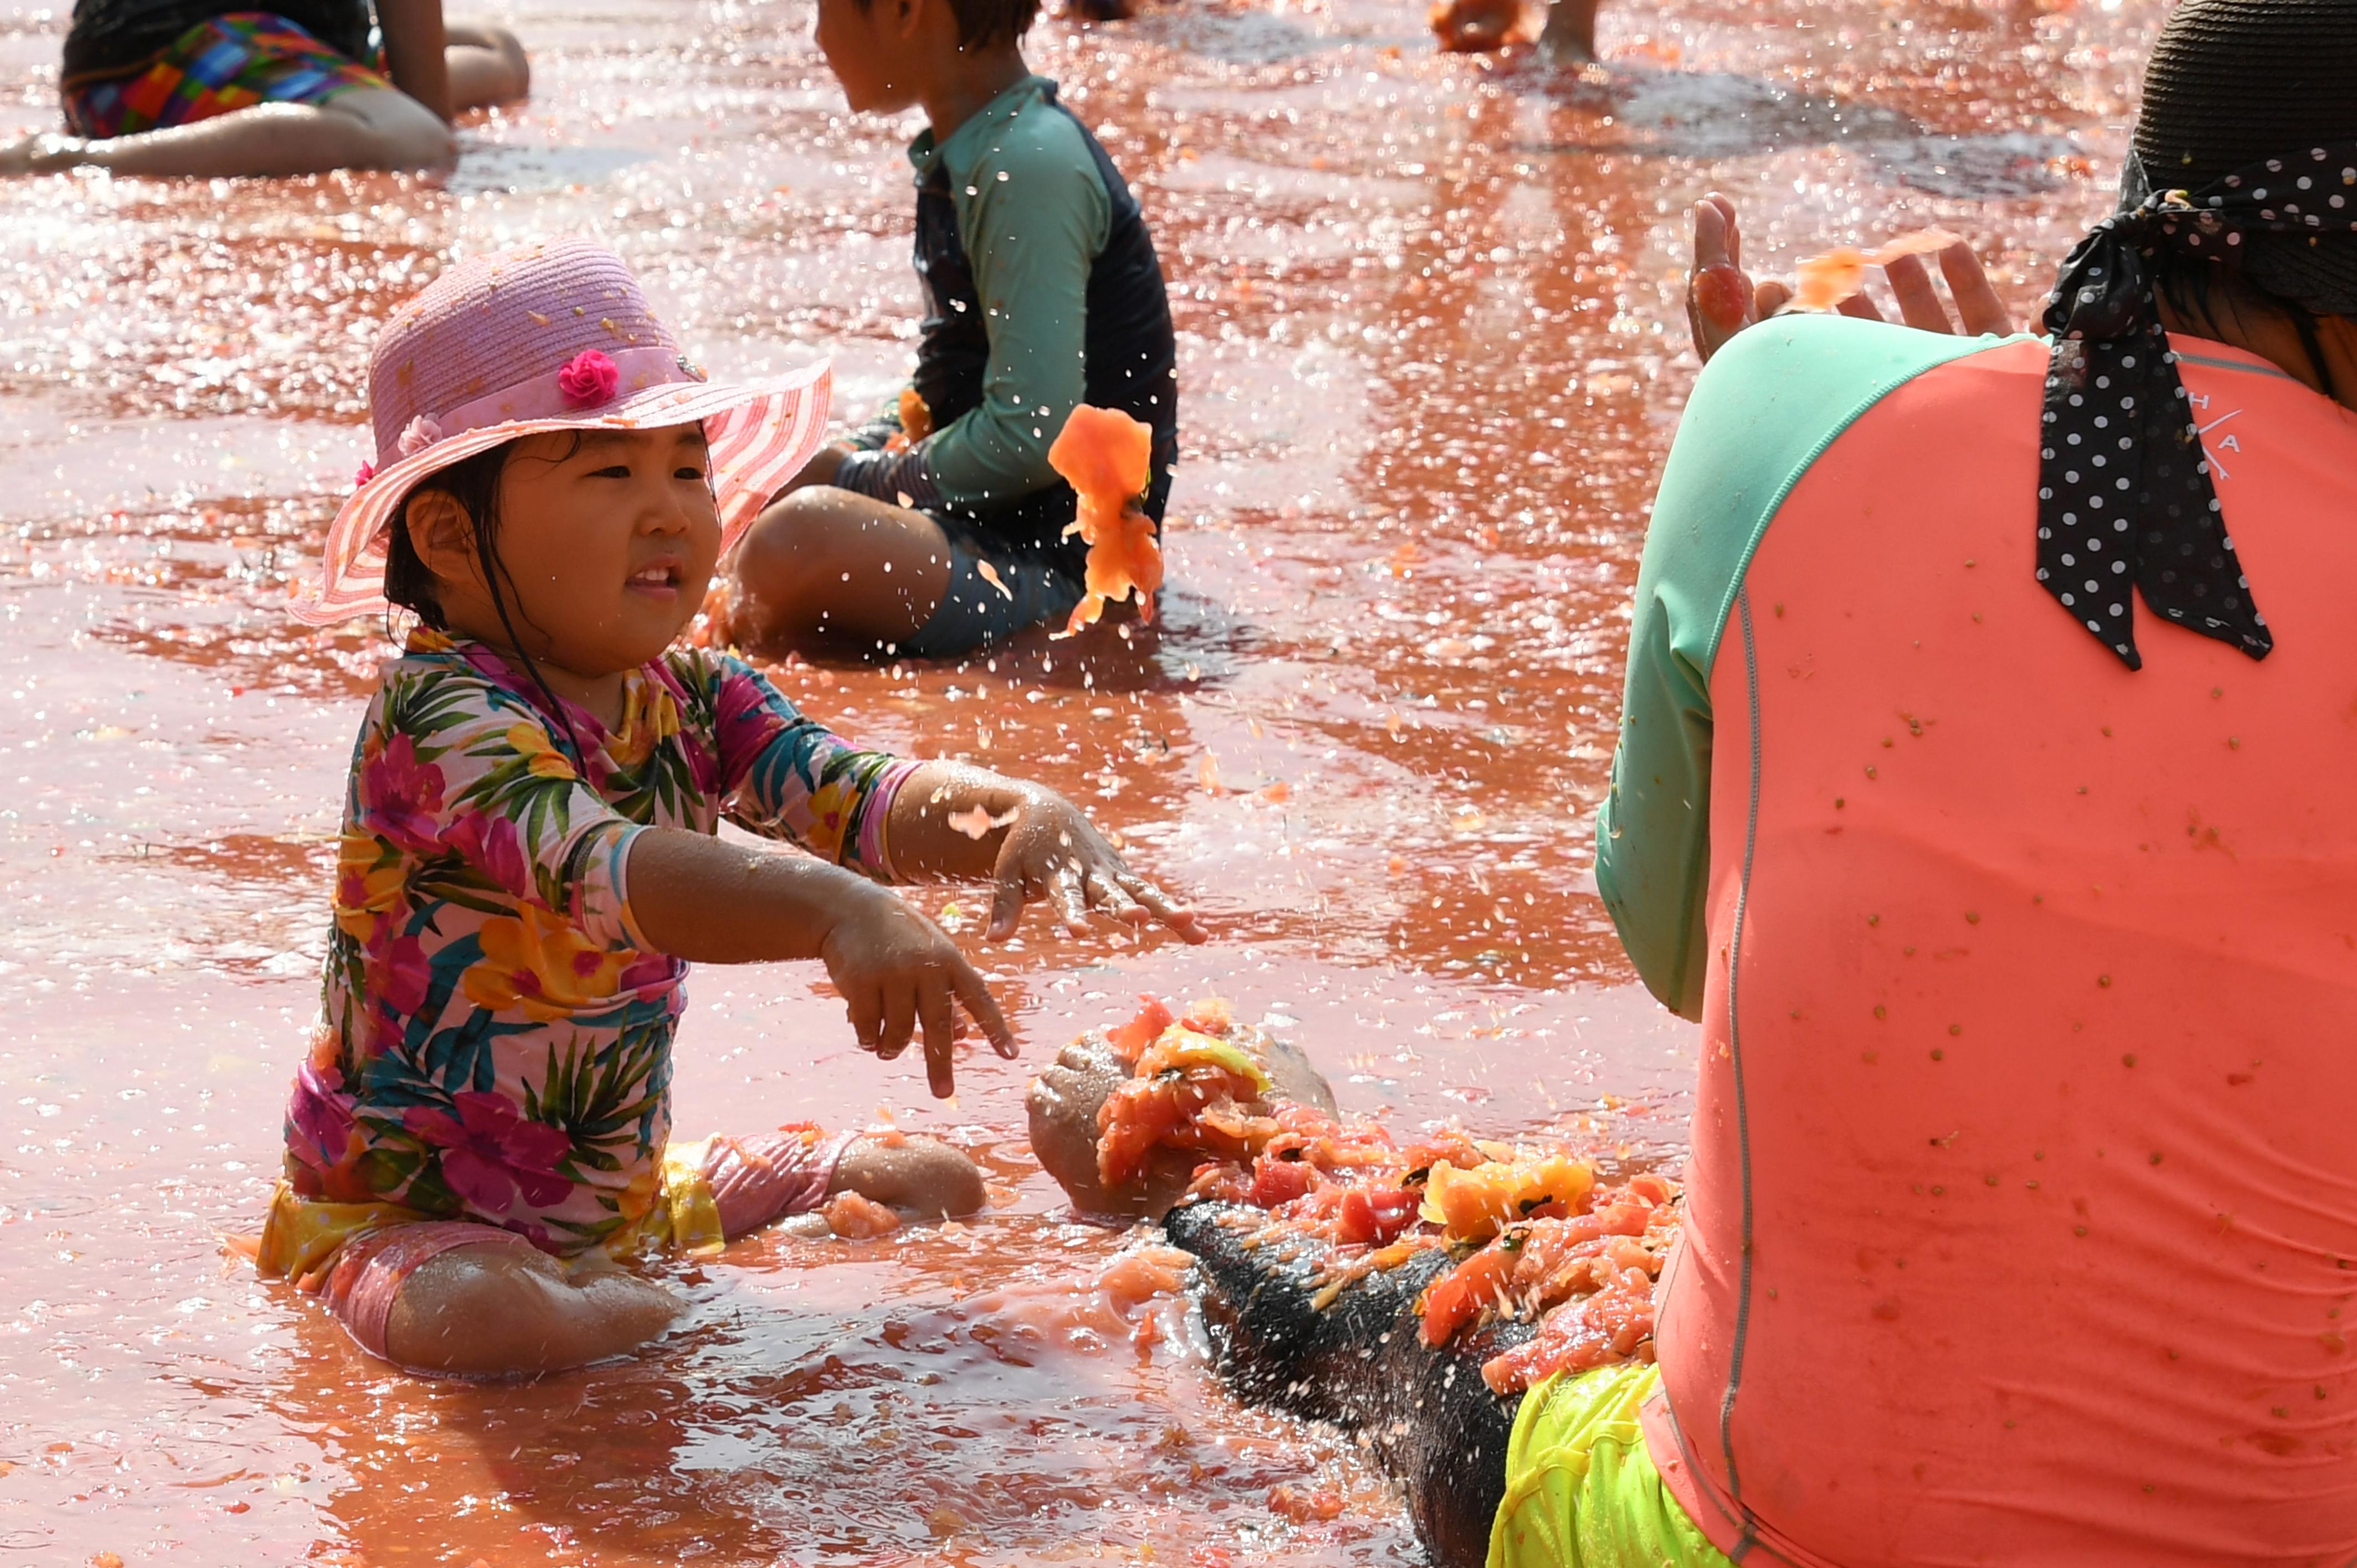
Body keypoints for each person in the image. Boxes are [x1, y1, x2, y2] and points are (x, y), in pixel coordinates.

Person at [1577, 0, 2357, 1561]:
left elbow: (1681, 957)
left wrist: (1881, 455)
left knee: (1421, 1343)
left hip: (1750, 1540)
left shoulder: (1775, 405)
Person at [258, 238, 1205, 1379]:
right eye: (611, 477)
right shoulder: (439, 716)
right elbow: (613, 868)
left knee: (934, 1186)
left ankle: (638, 1296)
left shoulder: (691, 692)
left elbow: (852, 796)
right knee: (476, 1320)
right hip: (401, 1228)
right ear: (451, 539)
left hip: (617, 1203)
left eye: (684, 471)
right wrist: (833, 913)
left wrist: (1010, 812)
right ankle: (684, 1320)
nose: (669, 516)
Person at [716, 0, 1179, 661]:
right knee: (756, 476)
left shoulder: (1027, 163)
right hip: (987, 524)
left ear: (908, 11)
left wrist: (860, 477)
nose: (816, 36)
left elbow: (1029, 431)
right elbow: (951, 375)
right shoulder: (982, 145)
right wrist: (857, 448)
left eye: (824, 9)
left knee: (792, 541)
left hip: (1061, 573)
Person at [0, 0, 528, 178]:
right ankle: (75, 159)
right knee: (416, 139)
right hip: (154, 59)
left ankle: (364, 109)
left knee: (499, 52)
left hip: (290, 33)